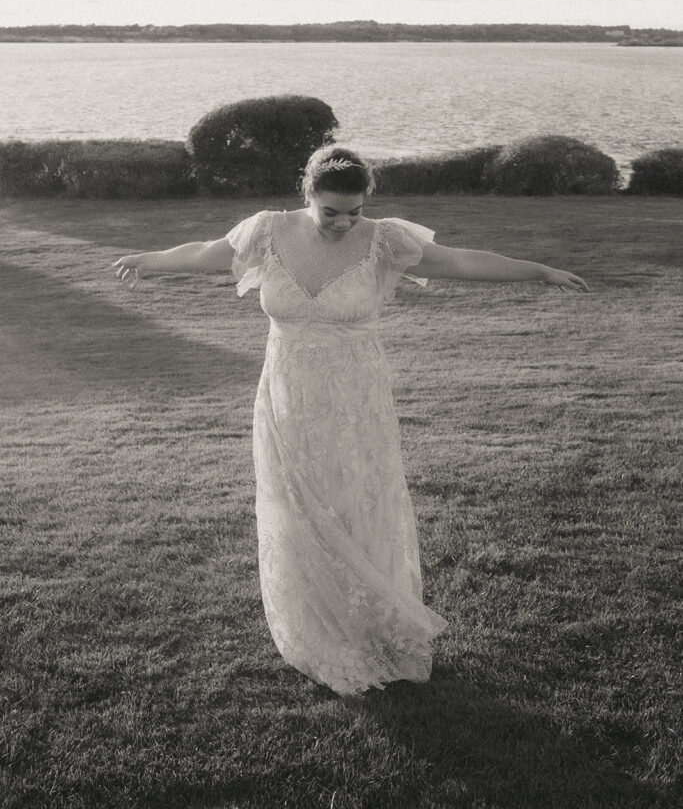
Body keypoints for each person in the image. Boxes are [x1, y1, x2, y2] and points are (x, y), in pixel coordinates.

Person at [113, 145, 587, 696]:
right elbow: (206, 253)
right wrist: (150, 259)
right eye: (330, 212)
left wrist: (539, 271)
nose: (342, 223)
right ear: (307, 195)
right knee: (298, 504)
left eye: (353, 212)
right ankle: (317, 620)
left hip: (357, 398)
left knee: (356, 498)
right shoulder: (266, 231)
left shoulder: (385, 240)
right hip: (288, 393)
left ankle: (368, 618)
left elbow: (459, 262)